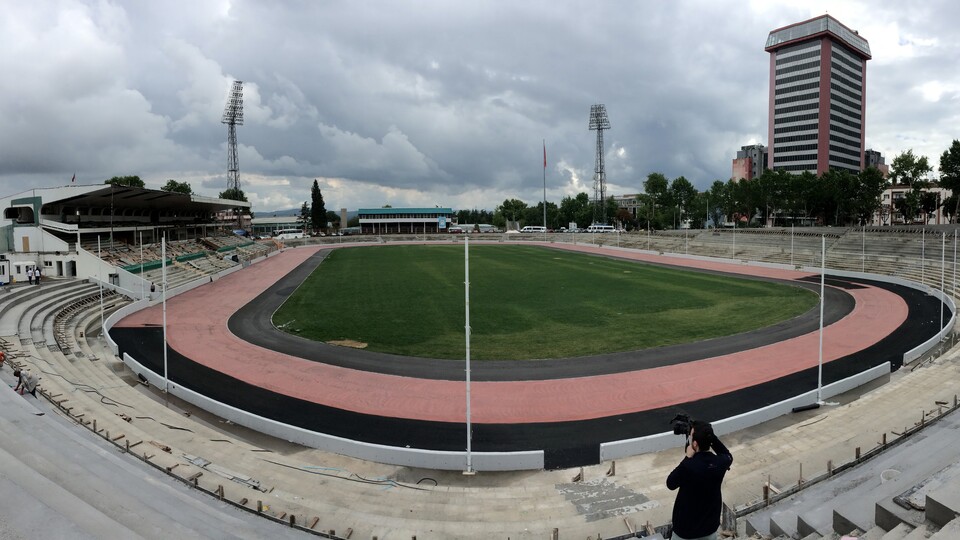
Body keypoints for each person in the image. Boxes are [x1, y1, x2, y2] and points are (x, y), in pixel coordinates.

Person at [666, 420, 733, 540]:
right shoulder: (721, 462)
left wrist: (687, 457)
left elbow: (670, 483)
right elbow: (727, 454)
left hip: (685, 531)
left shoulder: (688, 466)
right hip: (709, 528)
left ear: (695, 444)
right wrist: (710, 436)